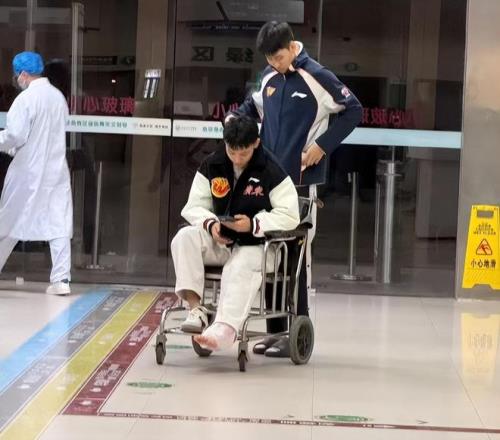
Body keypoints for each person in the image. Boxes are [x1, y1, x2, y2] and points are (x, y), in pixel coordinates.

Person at [227, 21, 363, 356]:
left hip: (300, 184)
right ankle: (276, 331)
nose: (274, 64)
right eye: (269, 59)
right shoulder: (269, 77)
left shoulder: (317, 76)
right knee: (269, 253)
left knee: (295, 259)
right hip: (267, 184)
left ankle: (297, 332)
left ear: (292, 47)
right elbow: (251, 107)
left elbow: (354, 110)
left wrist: (321, 147)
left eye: (278, 57)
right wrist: (233, 121)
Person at [171, 115, 299, 351]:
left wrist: (253, 224)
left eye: (244, 153)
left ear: (256, 143)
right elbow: (193, 206)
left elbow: (290, 215)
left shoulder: (271, 169)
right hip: (222, 242)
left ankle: (225, 329)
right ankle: (196, 309)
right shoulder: (213, 164)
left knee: (240, 266)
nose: (237, 159)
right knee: (184, 238)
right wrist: (211, 224)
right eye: (232, 152)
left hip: (259, 247)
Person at [0, 51, 73, 295]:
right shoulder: (58, 97)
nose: (17, 79)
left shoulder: (25, 99)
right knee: (58, 223)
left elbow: (15, 135)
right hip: (55, 171)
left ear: (23, 73)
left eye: (17, 75)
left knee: (8, 222)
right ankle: (61, 280)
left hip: (27, 171)